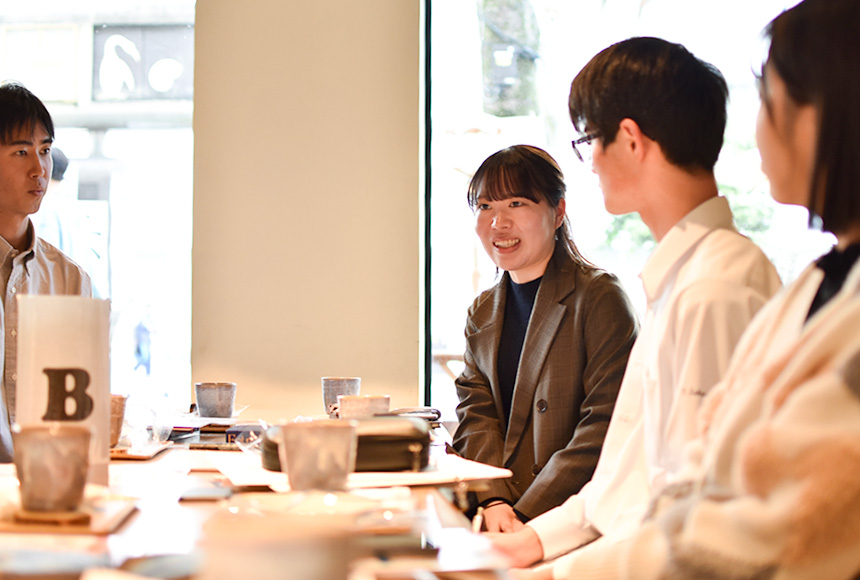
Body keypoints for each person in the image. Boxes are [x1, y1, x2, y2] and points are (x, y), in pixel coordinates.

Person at [487, 37, 783, 575]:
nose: (591, 164)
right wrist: (529, 543)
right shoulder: (682, 278)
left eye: (589, 141)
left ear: (629, 140)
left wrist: (547, 571)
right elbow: (624, 482)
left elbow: (692, 518)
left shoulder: (715, 287)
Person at [452, 144, 640, 531]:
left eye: (517, 204)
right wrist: (494, 500)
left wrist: (525, 516)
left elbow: (604, 425)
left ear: (557, 213)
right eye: (485, 206)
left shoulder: (599, 297)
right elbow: (476, 416)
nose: (498, 223)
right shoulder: (481, 312)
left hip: (572, 521)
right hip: (499, 516)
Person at [0, 82, 92, 462]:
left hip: (46, 481)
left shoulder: (70, 280)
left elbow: (79, 404)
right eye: (21, 152)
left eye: (45, 151)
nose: (39, 169)